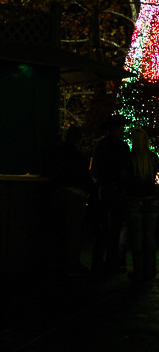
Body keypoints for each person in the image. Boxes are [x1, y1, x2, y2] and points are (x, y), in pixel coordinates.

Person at [45, 125, 93, 274]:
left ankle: (57, 265)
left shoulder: (56, 153)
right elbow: (86, 178)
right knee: (73, 233)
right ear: (79, 139)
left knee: (58, 231)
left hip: (57, 194)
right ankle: (72, 266)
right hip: (75, 195)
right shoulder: (79, 157)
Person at [90, 114, 131, 276]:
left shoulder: (100, 145)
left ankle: (97, 263)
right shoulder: (122, 147)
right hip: (117, 191)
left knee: (102, 228)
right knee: (115, 228)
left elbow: (94, 168)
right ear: (117, 128)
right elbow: (125, 170)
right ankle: (111, 263)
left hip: (102, 190)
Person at [126, 128, 159, 283]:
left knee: (137, 237)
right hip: (152, 200)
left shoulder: (130, 158)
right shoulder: (152, 158)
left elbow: (125, 178)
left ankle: (138, 270)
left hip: (135, 200)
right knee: (150, 235)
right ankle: (150, 268)